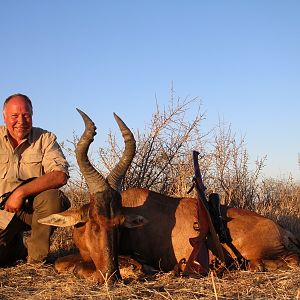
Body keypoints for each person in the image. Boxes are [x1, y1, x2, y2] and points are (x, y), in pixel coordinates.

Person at [0, 93, 70, 265]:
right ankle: (15, 248)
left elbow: (60, 175)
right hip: (2, 211)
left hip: (32, 208)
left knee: (52, 197)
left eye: (26, 115)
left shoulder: (45, 138)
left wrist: (20, 193)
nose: (21, 121)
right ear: (4, 117)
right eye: (15, 116)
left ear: (32, 115)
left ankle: (36, 260)